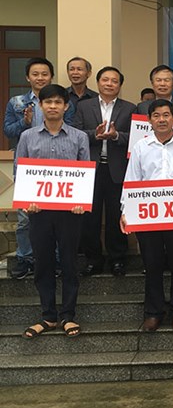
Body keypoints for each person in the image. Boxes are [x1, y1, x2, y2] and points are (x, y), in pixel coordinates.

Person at [121, 99, 173, 333]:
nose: (161, 119)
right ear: (149, 120)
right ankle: (153, 312)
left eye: (166, 115)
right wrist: (126, 211)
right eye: (156, 116)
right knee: (152, 264)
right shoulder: (141, 147)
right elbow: (131, 180)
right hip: (148, 216)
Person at [16, 84, 90, 339]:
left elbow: (85, 173)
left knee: (69, 263)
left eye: (58, 102)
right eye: (48, 102)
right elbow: (20, 172)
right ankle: (48, 316)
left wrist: (81, 200)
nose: (53, 106)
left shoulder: (79, 137)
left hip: (70, 212)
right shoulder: (28, 137)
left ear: (66, 106)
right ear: (40, 106)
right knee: (43, 263)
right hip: (39, 211)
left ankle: (68, 315)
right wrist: (27, 201)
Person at [73, 66, 136, 276]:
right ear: (98, 82)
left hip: (117, 169)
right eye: (105, 80)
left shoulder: (130, 108)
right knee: (90, 218)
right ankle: (93, 260)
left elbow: (135, 139)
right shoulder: (83, 106)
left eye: (114, 81)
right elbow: (76, 133)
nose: (109, 84)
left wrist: (117, 136)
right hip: (91, 169)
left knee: (115, 215)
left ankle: (118, 259)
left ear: (120, 85)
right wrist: (95, 135)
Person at [3, 57, 54, 280]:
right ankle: (25, 259)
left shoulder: (59, 99)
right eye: (35, 74)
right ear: (28, 77)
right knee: (25, 217)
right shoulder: (17, 102)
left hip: (55, 165)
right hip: (26, 166)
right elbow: (8, 131)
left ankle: (55, 259)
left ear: (50, 76)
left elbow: (70, 129)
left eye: (44, 74)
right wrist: (25, 122)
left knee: (55, 215)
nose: (40, 78)